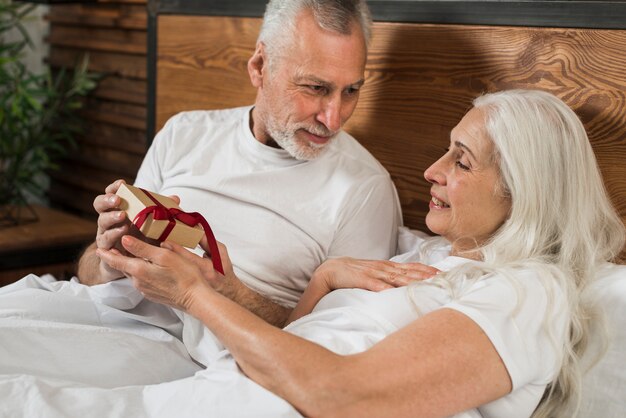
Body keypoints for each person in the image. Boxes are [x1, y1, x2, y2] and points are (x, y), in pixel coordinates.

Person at [96, 89, 625, 418]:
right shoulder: (434, 257)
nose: (431, 171)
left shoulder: (528, 294)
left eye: (461, 163)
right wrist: (321, 280)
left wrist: (194, 297)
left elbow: (343, 397)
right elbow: (300, 349)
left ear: (523, 191)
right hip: (226, 389)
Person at [76, 0, 402, 326]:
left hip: (215, 359)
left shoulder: (365, 189)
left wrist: (227, 292)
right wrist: (110, 260)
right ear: (260, 66)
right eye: (316, 87)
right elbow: (89, 273)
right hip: (110, 318)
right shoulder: (183, 133)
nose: (333, 120)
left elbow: (335, 345)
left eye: (351, 90)